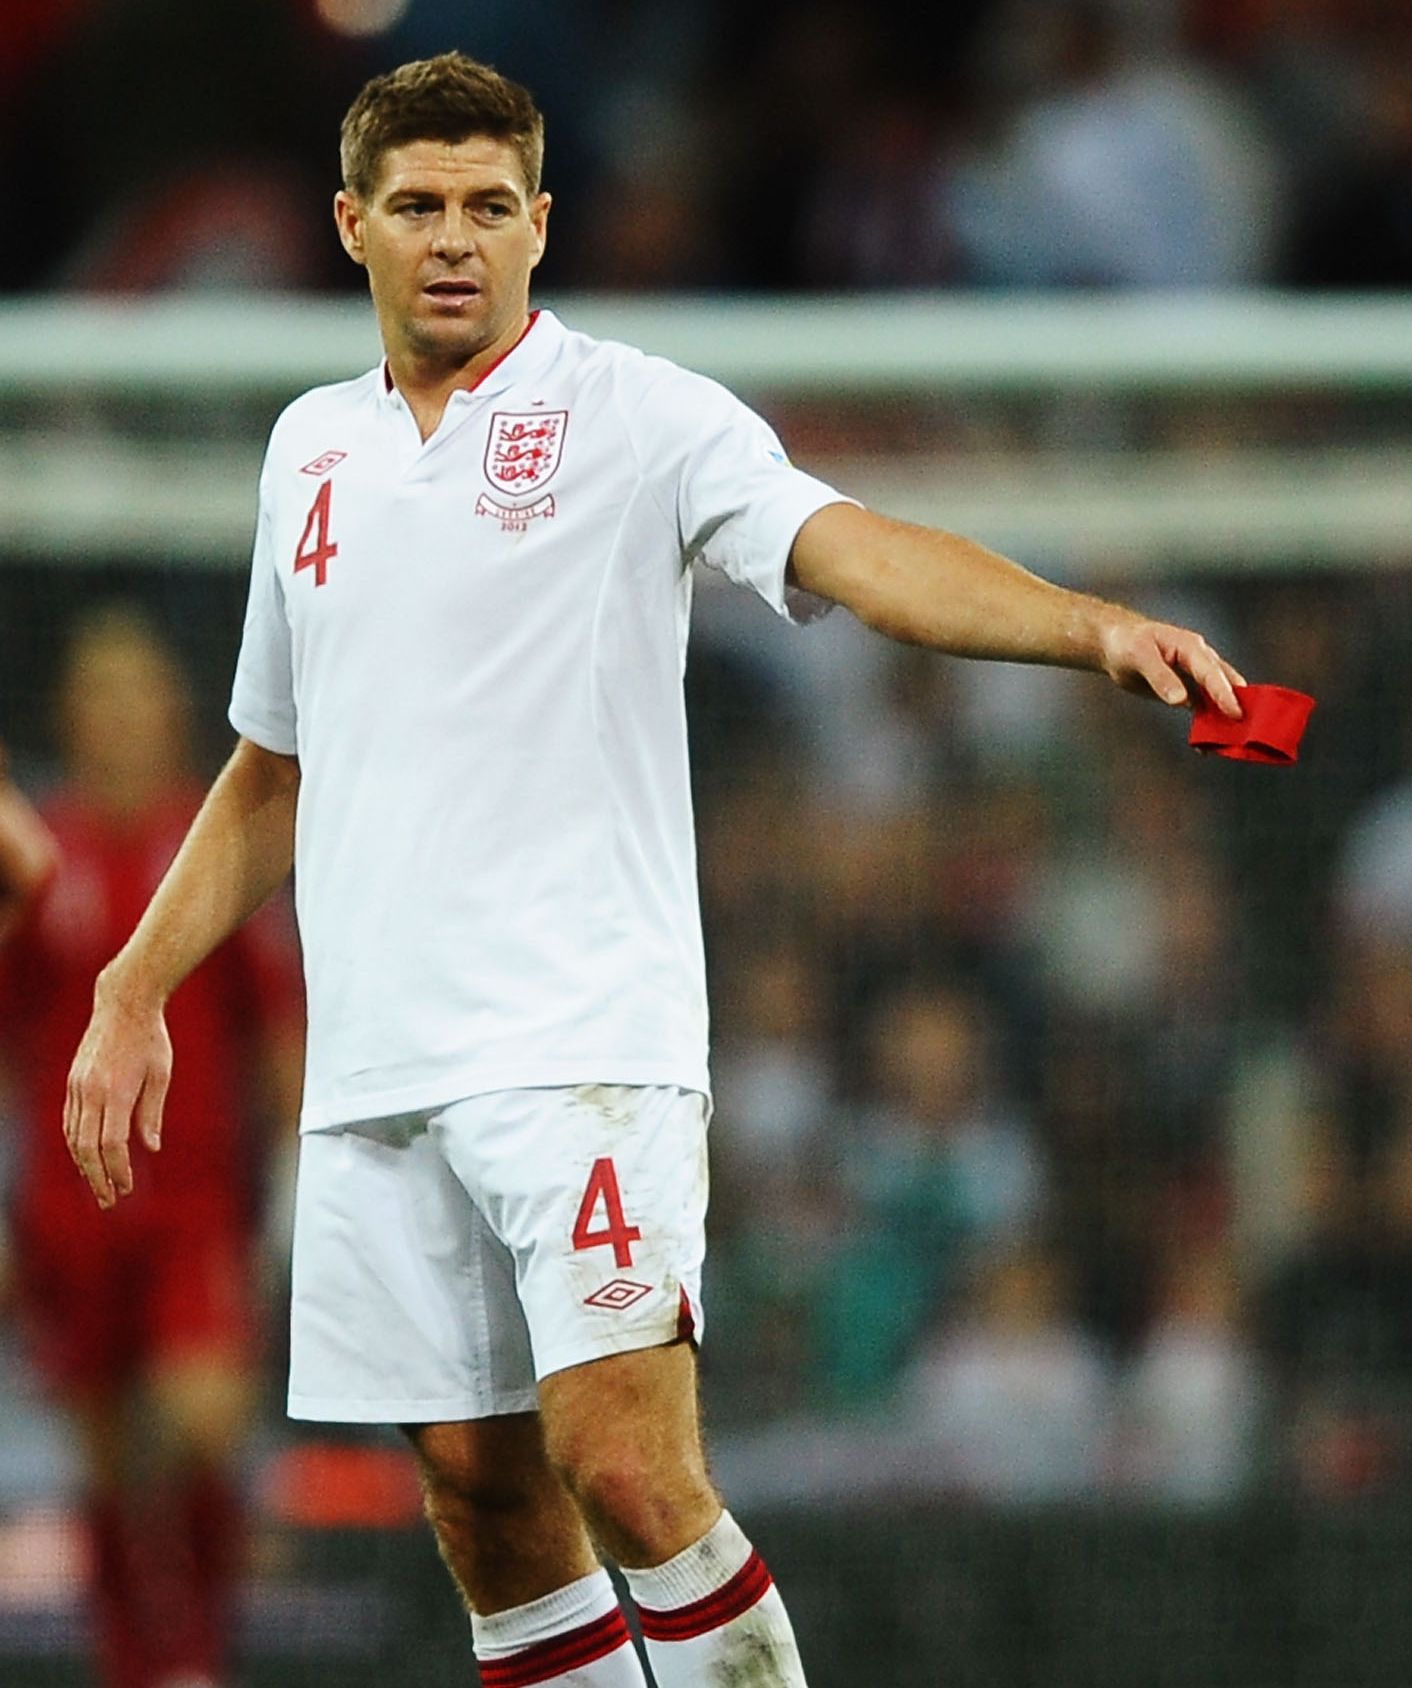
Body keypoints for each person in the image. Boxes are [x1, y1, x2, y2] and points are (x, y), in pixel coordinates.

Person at [59, 52, 1253, 1688]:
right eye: (420, 205)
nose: (456, 237)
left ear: (542, 224)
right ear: (352, 225)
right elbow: (275, 765)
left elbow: (854, 546)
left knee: (622, 1465)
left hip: (578, 1043)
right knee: (483, 1507)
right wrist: (135, 982)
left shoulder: (638, 416)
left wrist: (1083, 624)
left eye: (491, 205)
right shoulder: (308, 452)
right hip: (379, 1068)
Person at [4, 611, 301, 1688]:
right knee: (102, 1459)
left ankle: (197, 1651)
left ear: (175, 712)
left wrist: (293, 1190)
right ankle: (138, 1663)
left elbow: (279, 1028)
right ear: (70, 715)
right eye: (101, 695)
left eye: (139, 694)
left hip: (191, 1205)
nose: (121, 717)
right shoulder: (42, 857)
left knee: (198, 1418)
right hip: (66, 1208)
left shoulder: (214, 846)